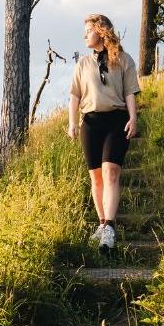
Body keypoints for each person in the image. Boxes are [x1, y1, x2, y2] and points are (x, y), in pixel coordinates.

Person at [66, 13, 140, 249]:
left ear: (101, 30)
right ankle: (101, 224)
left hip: (117, 120)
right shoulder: (83, 63)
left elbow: (130, 92)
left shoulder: (124, 59)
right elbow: (74, 96)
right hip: (90, 122)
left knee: (110, 172)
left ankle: (109, 227)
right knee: (96, 177)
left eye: (88, 30)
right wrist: (71, 123)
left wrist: (133, 118)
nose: (85, 35)